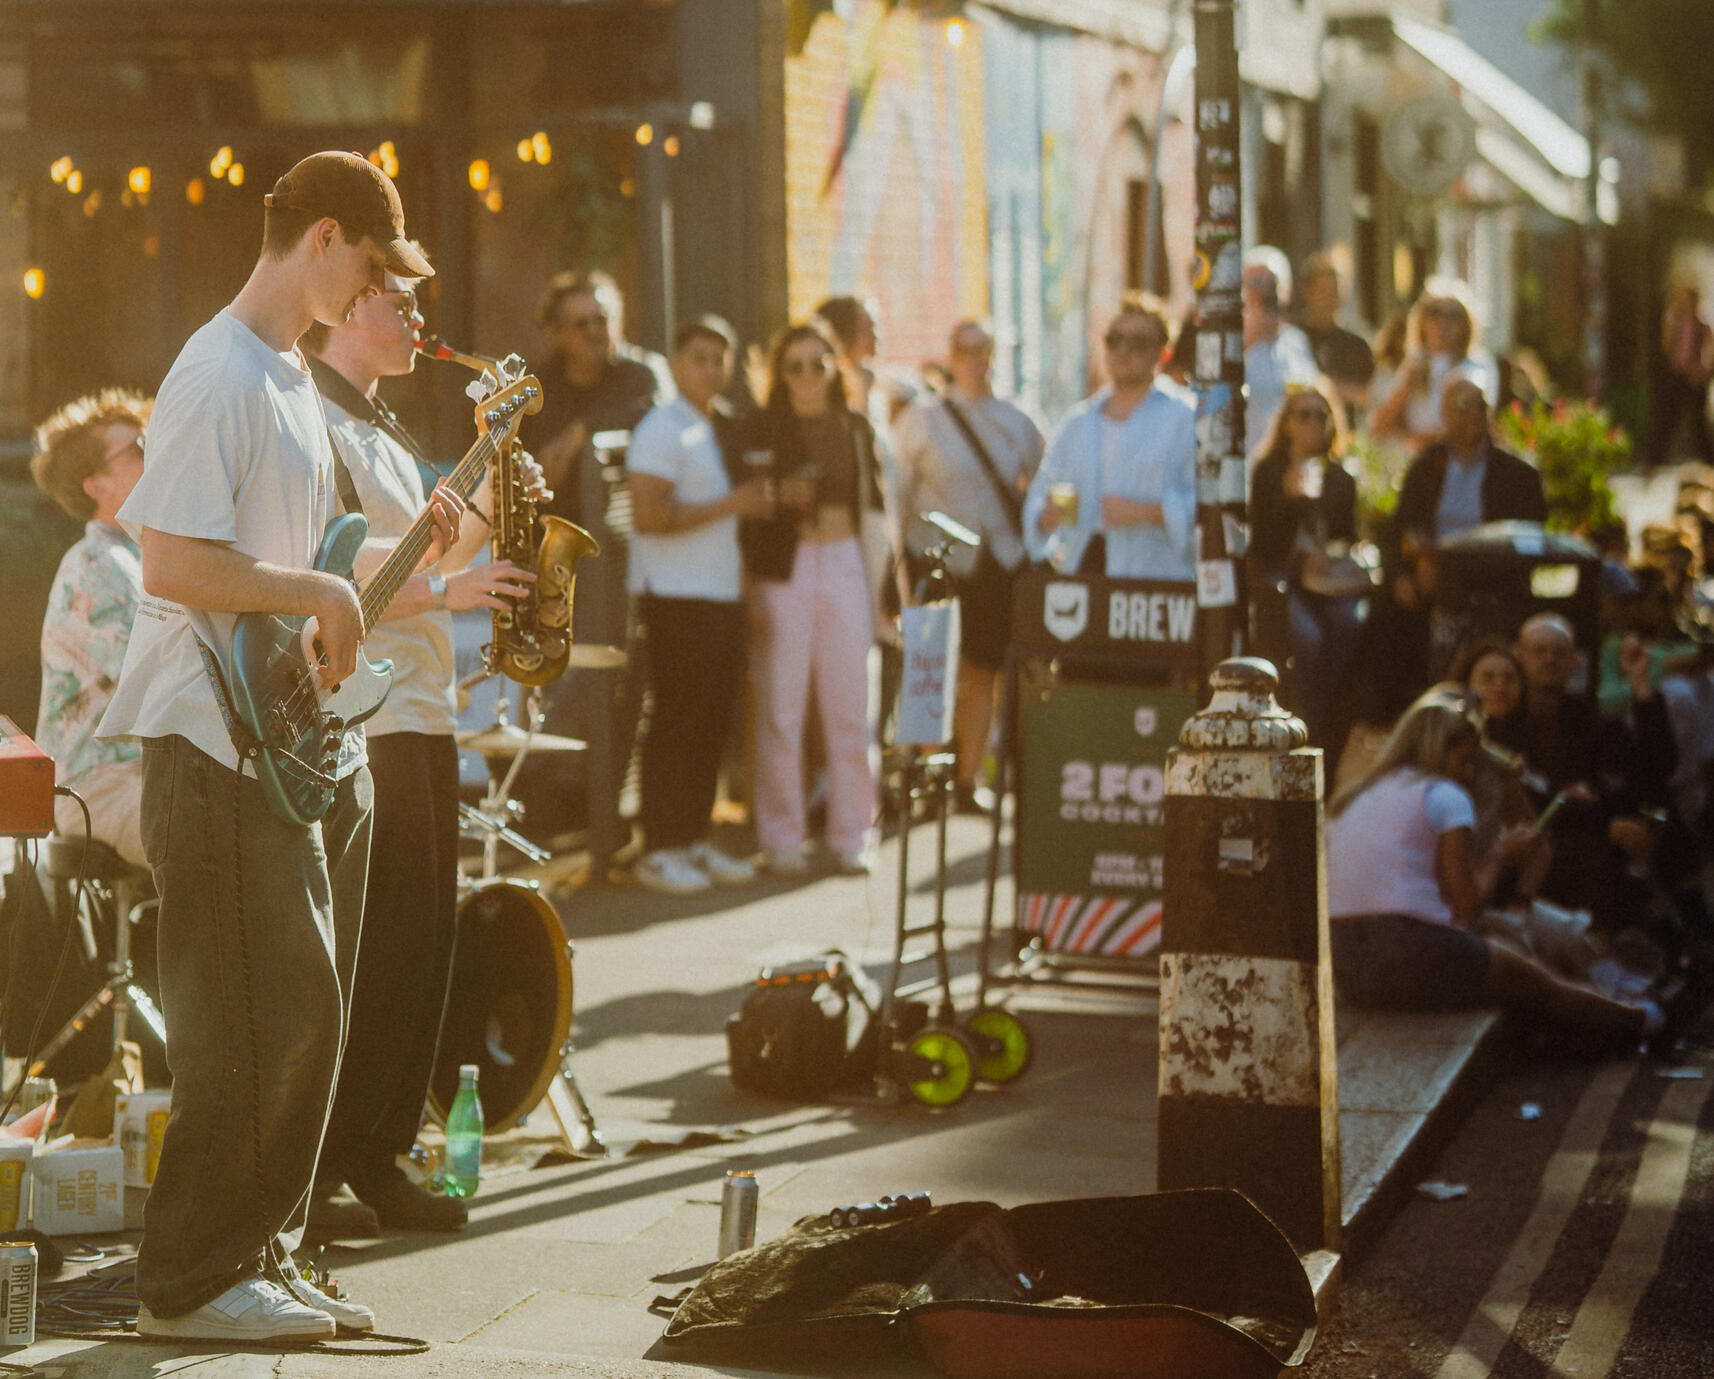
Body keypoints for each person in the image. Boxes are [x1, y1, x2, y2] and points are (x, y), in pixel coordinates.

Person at [95, 150, 456, 1342]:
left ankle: (263, 1251)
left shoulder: (296, 379)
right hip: (211, 741)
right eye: (371, 265)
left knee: (307, 1010)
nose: (374, 294)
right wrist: (317, 588)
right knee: (252, 1016)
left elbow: (312, 562)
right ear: (324, 238)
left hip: (293, 745)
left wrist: (418, 570)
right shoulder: (218, 370)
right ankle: (190, 1281)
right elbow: (172, 561)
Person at [303, 260, 535, 1231]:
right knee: (381, 946)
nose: (417, 320)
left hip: (423, 705)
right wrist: (452, 591)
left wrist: (495, 467)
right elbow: (342, 569)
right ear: (350, 306)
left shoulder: (382, 427)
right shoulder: (317, 423)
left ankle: (380, 1152)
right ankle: (329, 1165)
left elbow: (437, 549)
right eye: (401, 303)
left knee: (419, 946)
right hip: (373, 710)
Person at [1326, 686, 1681, 1053]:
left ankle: (1606, 1026)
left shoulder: (1358, 795)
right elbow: (1467, 909)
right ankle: (1649, 1019)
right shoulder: (1445, 796)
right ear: (1435, 751)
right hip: (1406, 949)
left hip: (1348, 964)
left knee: (1511, 965)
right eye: (1464, 760)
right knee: (1532, 978)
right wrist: (1500, 855)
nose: (1468, 773)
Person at [627, 316, 772, 893]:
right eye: (699, 357)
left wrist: (747, 594)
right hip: (674, 598)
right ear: (677, 362)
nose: (710, 368)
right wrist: (731, 503)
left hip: (718, 596)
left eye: (719, 358)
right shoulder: (662, 427)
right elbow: (648, 515)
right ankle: (659, 849)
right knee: (676, 724)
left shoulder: (715, 427)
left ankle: (692, 839)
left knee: (712, 724)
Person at [740, 320, 889, 875]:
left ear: (834, 369)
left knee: (851, 707)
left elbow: (876, 510)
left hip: (846, 559)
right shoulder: (762, 427)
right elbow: (748, 513)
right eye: (794, 365)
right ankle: (781, 836)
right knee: (782, 706)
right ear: (780, 373)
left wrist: (883, 591)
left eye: (817, 364)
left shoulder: (854, 426)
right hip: (787, 567)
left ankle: (854, 832)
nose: (806, 375)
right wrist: (777, 498)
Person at [894, 319, 1045, 813]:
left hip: (996, 559)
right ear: (951, 356)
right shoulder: (923, 418)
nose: (974, 359)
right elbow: (897, 491)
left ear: (995, 355)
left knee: (983, 671)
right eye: (964, 350)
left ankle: (967, 779)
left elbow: (1043, 486)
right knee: (931, 666)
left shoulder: (1016, 419)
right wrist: (896, 564)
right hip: (936, 558)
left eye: (983, 350)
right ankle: (929, 777)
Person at [1360, 376, 1547, 722]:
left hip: (1490, 575)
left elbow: (1526, 540)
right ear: (1445, 415)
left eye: (1480, 406)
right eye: (1463, 406)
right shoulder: (1427, 467)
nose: (1473, 414)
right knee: (1382, 614)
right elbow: (1400, 528)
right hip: (1431, 570)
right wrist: (1404, 573)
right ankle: (1394, 720)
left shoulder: (1516, 474)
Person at [30, 389, 151, 864]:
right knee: (218, 844)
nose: (156, 450)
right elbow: (160, 683)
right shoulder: (97, 565)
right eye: (140, 446)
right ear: (97, 485)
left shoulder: (144, 558)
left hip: (153, 775)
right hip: (99, 786)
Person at [1023, 297, 1197, 580]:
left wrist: (1149, 512)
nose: (1123, 350)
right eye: (1115, 340)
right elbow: (1043, 490)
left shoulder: (1185, 418)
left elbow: (1211, 507)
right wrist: (1045, 516)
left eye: (1138, 342)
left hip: (1157, 581)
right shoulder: (1079, 422)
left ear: (1163, 353)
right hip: (1086, 574)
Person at [1247, 381, 1362, 751]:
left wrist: (1327, 549)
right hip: (1281, 576)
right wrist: (1290, 500)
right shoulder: (1269, 472)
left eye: (1321, 415)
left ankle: (1329, 714)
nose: (1313, 422)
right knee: (1308, 638)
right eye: (1304, 415)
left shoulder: (1341, 478)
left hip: (1327, 580)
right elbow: (1261, 543)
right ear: (1287, 424)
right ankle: (1308, 722)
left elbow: (1347, 536)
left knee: (1349, 624)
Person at [531, 269, 672, 522]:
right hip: (549, 529)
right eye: (581, 324)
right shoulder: (535, 385)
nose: (593, 331)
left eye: (602, 320)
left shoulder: (644, 373)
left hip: (627, 537)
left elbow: (665, 413)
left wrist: (584, 429)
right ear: (557, 332)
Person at [1367, 288, 1499, 451]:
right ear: (1421, 321)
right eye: (1434, 313)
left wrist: (1428, 440)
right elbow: (1378, 428)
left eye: (1453, 315)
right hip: (1416, 461)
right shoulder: (1413, 363)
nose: (1443, 323)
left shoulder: (1477, 364)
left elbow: (1475, 422)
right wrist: (1405, 387)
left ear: (1466, 324)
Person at [1240, 248, 1319, 462]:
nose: (1265, 292)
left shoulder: (1296, 342)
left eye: (1273, 283)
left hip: (1287, 466)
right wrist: (1249, 339)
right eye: (1256, 282)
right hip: (1247, 464)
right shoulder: (1232, 338)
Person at [1294, 250, 1375, 411]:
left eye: (1335, 290)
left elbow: (1371, 396)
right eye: (1324, 290)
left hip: (1346, 433)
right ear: (1307, 291)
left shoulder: (1357, 344)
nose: (1331, 298)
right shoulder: (1291, 338)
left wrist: (1331, 387)